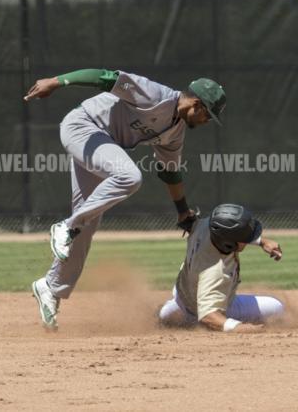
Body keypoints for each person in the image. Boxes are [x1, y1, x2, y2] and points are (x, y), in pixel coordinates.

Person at [23, 69, 226, 330]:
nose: (207, 121)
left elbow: (170, 172)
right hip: (83, 127)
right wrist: (56, 82)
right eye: (208, 115)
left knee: (88, 225)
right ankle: (66, 226)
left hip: (103, 144)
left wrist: (182, 212)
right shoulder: (155, 94)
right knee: (129, 176)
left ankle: (50, 287)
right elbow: (104, 77)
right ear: (196, 104)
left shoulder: (175, 131)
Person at [158, 203, 284, 333]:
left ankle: (167, 312)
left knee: (166, 314)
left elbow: (194, 223)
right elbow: (207, 316)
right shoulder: (216, 271)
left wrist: (262, 242)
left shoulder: (206, 226)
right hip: (201, 309)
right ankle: (188, 319)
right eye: (246, 238)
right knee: (276, 307)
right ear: (228, 243)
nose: (248, 240)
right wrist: (239, 327)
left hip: (182, 296)